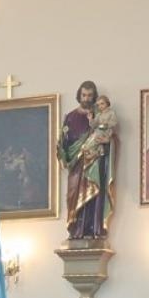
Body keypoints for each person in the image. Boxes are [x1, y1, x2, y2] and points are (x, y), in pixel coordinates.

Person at [57, 80, 115, 240]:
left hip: (95, 160)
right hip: (75, 163)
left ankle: (93, 228)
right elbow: (62, 142)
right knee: (73, 195)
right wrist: (63, 156)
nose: (87, 98)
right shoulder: (70, 117)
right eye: (84, 95)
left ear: (94, 97)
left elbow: (109, 135)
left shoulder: (101, 115)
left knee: (94, 193)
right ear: (79, 95)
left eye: (90, 95)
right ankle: (76, 228)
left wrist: (105, 141)